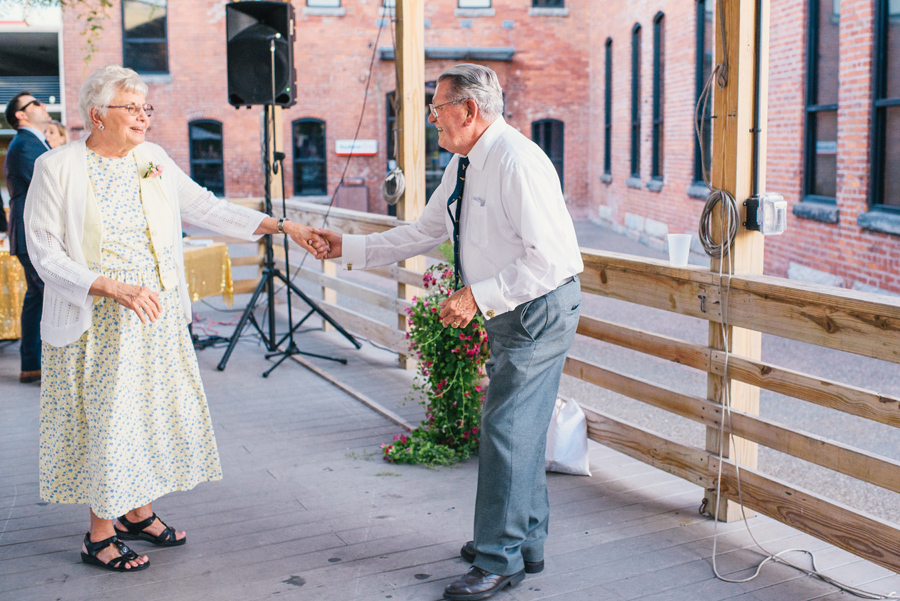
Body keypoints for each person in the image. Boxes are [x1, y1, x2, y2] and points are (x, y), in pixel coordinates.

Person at [25, 65, 328, 573]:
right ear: (97, 115)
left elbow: (208, 209)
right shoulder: (57, 167)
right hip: (97, 318)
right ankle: (99, 534)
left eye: (146, 107)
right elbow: (43, 252)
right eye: (133, 108)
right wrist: (110, 286)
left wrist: (283, 225)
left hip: (154, 314)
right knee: (112, 420)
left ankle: (136, 513)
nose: (144, 117)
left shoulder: (153, 159)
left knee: (147, 415)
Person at [315, 64, 583, 600]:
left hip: (538, 309)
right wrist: (349, 247)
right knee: (518, 427)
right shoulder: (463, 164)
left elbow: (550, 261)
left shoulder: (517, 161)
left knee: (505, 429)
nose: (431, 117)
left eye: (437, 108)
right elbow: (425, 230)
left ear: (469, 110)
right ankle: (524, 542)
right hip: (511, 309)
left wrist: (475, 296)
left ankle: (498, 558)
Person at [3, 91, 52, 383]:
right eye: (35, 103)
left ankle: (32, 364)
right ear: (21, 115)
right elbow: (49, 186)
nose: (42, 105)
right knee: (51, 295)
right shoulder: (24, 145)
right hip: (31, 231)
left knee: (38, 296)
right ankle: (45, 363)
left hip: (29, 231)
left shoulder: (33, 141)